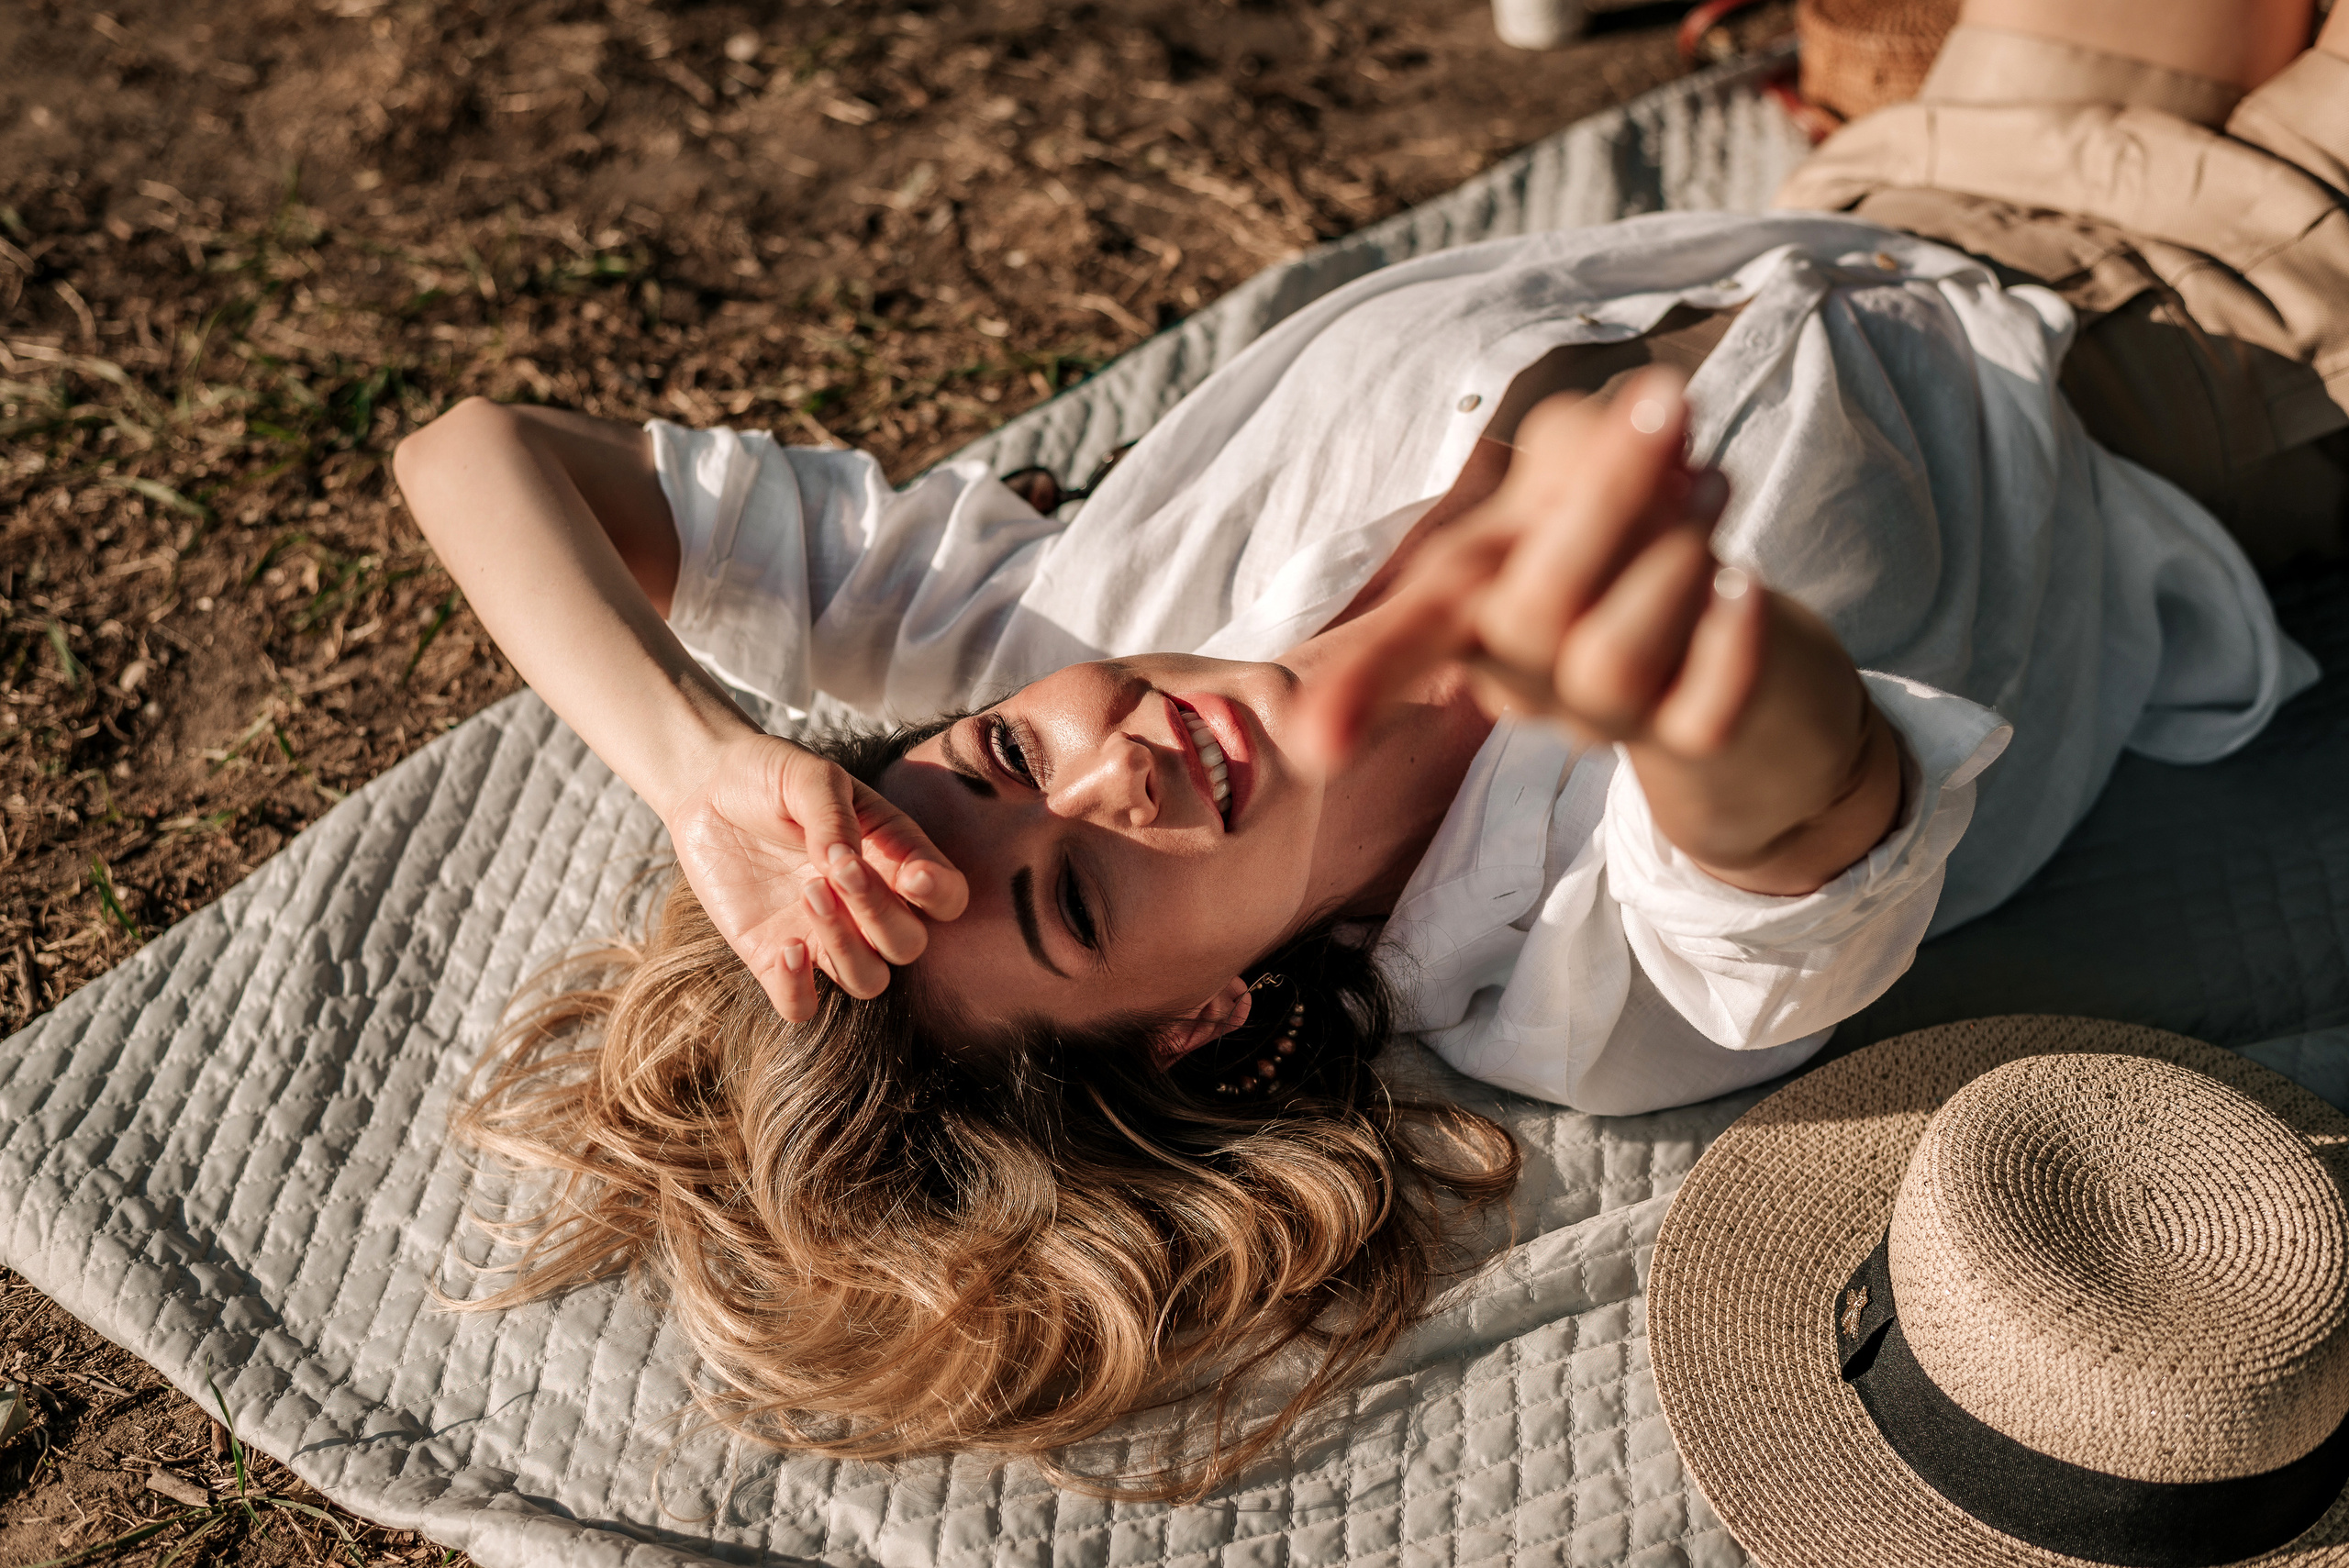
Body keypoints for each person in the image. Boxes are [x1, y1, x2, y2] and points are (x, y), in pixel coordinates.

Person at [393, 0, 2343, 1500]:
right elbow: (1795, 816)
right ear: (1198, 1023)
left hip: (1915, 183)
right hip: (2222, 356)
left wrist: (699, 767)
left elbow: (472, 456)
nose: (1109, 771)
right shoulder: (1565, 988)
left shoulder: (1036, 612)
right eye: (1073, 895)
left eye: (997, 763)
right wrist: (1670, 655)